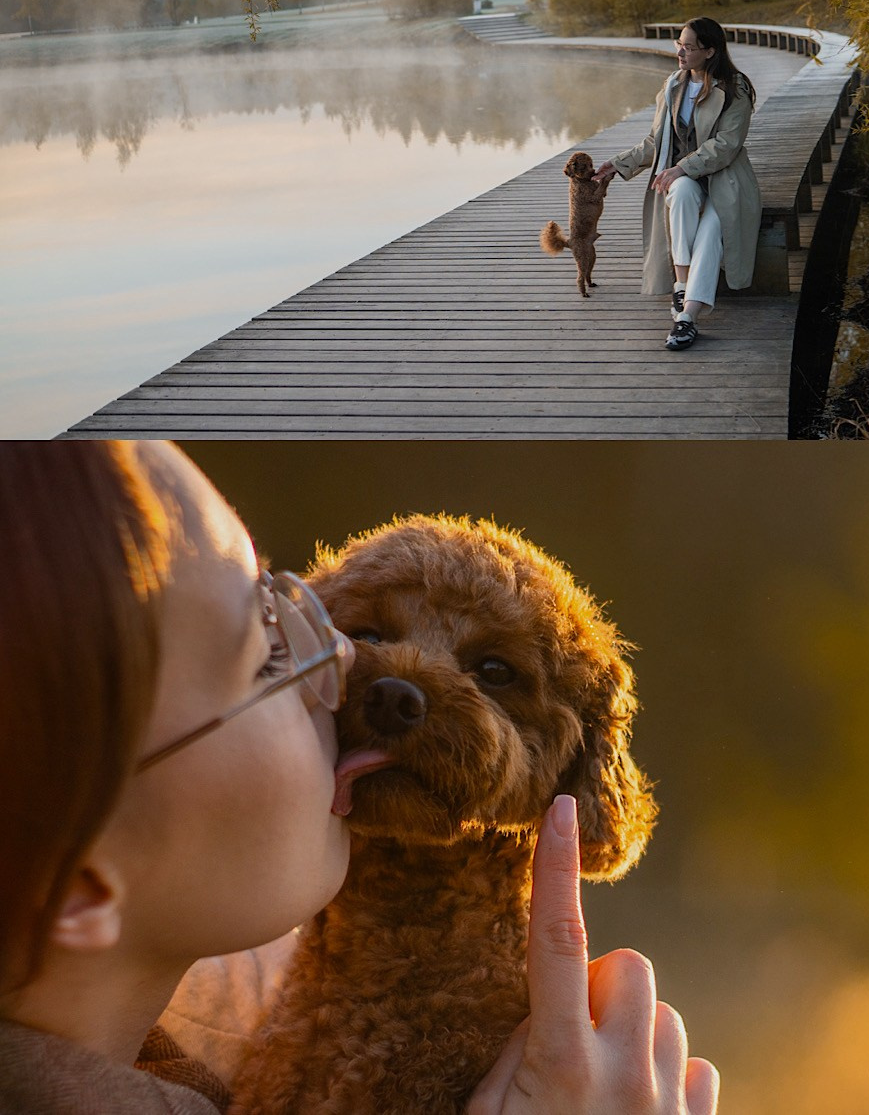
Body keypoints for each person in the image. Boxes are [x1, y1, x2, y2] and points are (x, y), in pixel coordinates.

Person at [0, 441, 720, 1115]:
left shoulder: (196, 1036)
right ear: (78, 885)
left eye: (297, 612)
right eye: (266, 658)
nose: (342, 665)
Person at [594, 18, 761, 351]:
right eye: (678, 44)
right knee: (680, 191)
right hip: (687, 180)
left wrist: (682, 167)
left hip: (725, 181)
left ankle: (687, 317)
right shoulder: (673, 85)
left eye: (688, 47)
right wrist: (620, 163)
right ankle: (682, 283)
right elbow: (658, 140)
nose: (680, 52)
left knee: (713, 229)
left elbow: (726, 145)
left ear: (710, 51)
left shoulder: (735, 88)